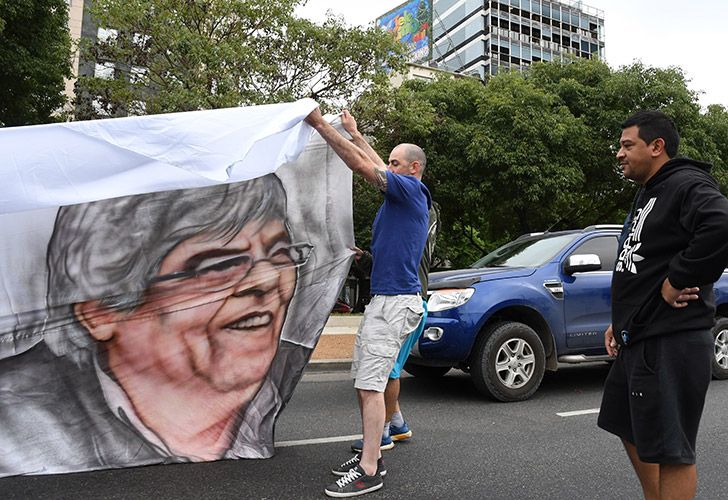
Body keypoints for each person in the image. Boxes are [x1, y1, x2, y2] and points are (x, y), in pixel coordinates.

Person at [0, 174, 313, 476]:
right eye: (220, 264)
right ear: (101, 312)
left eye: (280, 254)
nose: (269, 279)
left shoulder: (286, 366)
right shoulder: (12, 419)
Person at [597, 110, 728, 499]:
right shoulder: (649, 193)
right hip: (639, 334)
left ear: (656, 147)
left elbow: (720, 223)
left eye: (627, 145)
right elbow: (642, 263)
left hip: (671, 338)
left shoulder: (685, 183)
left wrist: (679, 279)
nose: (619, 154)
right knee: (624, 421)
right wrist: (620, 322)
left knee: (673, 451)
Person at [306, 108, 431, 497]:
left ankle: (370, 469)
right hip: (385, 301)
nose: (388, 166)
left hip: (395, 304)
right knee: (366, 384)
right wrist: (357, 134)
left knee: (373, 384)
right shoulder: (401, 191)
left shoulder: (411, 190)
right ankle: (372, 451)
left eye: (396, 162)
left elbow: (366, 168)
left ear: (413, 168)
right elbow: (375, 162)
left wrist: (321, 125)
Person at [350, 201, 440, 453]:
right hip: (410, 300)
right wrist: (365, 259)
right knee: (389, 368)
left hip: (407, 302)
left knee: (386, 372)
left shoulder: (418, 210)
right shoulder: (409, 226)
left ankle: (383, 434)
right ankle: (397, 424)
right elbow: (387, 263)